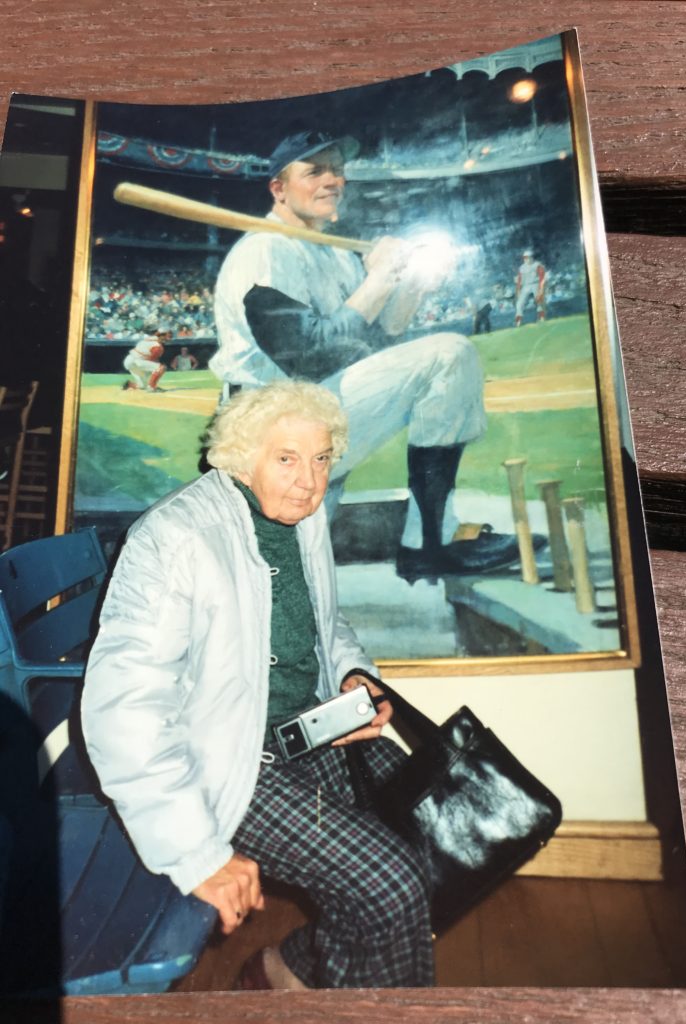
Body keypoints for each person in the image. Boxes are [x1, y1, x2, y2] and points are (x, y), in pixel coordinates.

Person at [81, 380, 434, 990]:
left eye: (322, 458)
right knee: (391, 885)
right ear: (243, 457)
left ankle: (288, 968)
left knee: (427, 834)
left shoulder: (302, 515)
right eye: (288, 458)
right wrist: (196, 854)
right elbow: (123, 710)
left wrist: (353, 675)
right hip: (223, 760)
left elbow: (326, 621)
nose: (311, 480)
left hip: (305, 727)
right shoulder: (175, 539)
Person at [211, 129, 523, 583]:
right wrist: (379, 278)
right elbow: (310, 357)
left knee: (448, 361)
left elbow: (365, 351)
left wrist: (410, 287)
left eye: (337, 170)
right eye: (314, 171)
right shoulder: (265, 248)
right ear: (278, 188)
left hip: (309, 418)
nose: (331, 180)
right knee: (450, 353)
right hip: (263, 430)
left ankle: (430, 539)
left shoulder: (334, 255)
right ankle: (430, 543)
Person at [122, 325, 172, 391]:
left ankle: (129, 385)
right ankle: (152, 387)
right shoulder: (157, 347)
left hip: (129, 361)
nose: (168, 338)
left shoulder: (151, 338)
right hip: (136, 361)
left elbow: (157, 336)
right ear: (162, 335)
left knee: (142, 386)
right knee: (161, 368)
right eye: (167, 336)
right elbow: (152, 361)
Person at [514, 250, 547, 326]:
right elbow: (519, 280)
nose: (526, 259)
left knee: (539, 300)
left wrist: (541, 288)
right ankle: (518, 320)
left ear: (532, 257)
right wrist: (518, 290)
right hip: (526, 285)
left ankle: (542, 317)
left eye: (528, 257)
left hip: (535, 284)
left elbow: (542, 277)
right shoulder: (522, 267)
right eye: (525, 258)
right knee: (519, 303)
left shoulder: (537, 265)